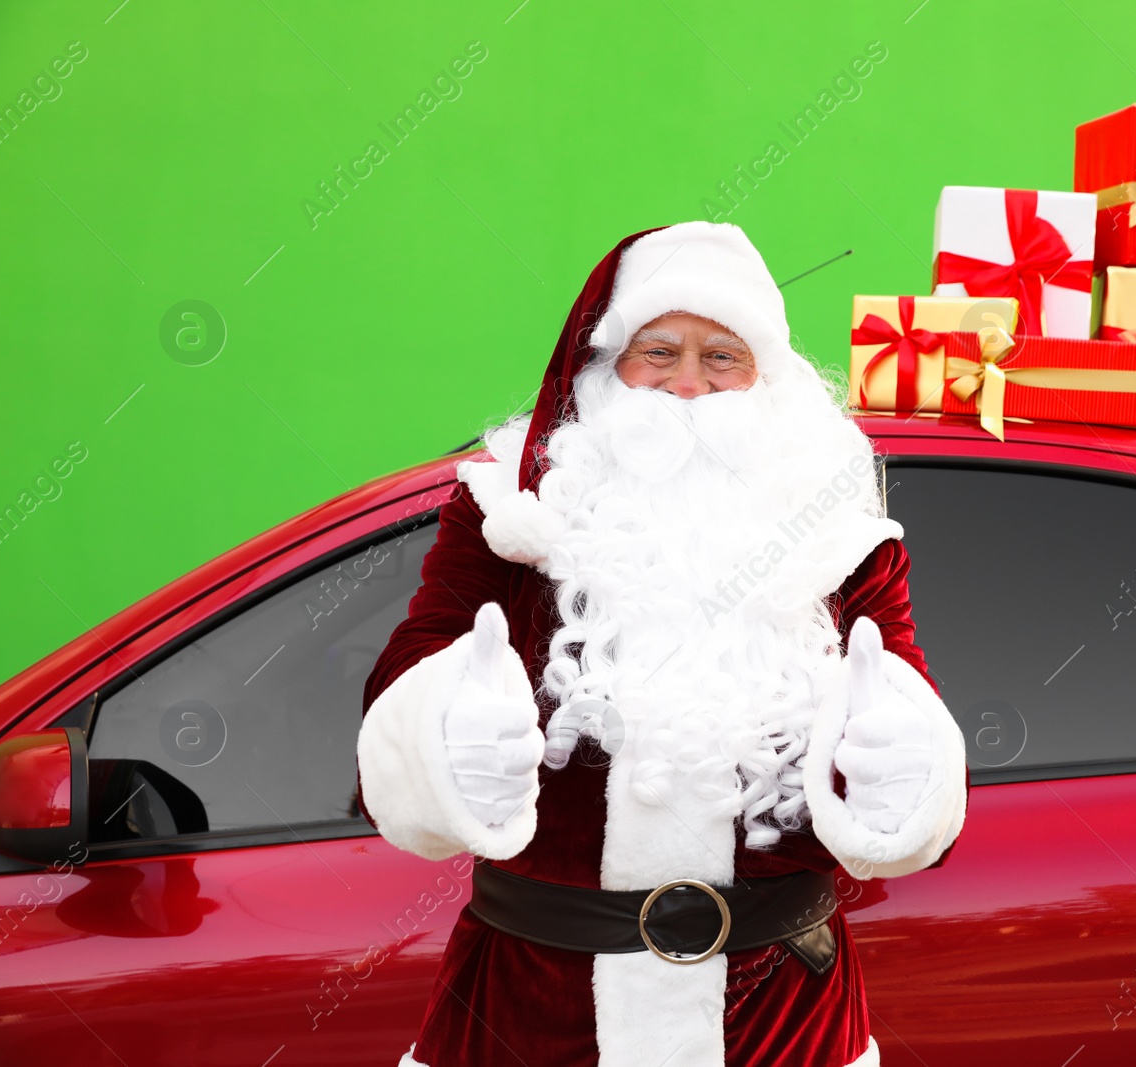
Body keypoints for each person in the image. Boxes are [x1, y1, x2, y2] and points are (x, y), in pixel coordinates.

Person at [357, 221, 967, 1067]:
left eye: (722, 357)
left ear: (765, 380)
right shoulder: (509, 509)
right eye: (660, 351)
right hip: (537, 1012)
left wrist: (903, 764)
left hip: (778, 1019)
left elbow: (904, 700)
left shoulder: (844, 534)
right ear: (608, 367)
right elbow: (408, 670)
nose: (687, 386)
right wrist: (445, 732)